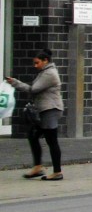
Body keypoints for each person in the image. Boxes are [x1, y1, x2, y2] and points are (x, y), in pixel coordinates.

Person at [5, 49, 65, 180]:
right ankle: (38, 167)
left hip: (51, 110)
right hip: (44, 110)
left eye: (37, 62)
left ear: (45, 61)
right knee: (33, 135)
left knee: (51, 140)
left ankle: (57, 172)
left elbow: (33, 89)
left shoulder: (50, 73)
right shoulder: (44, 72)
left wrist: (15, 83)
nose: (35, 65)